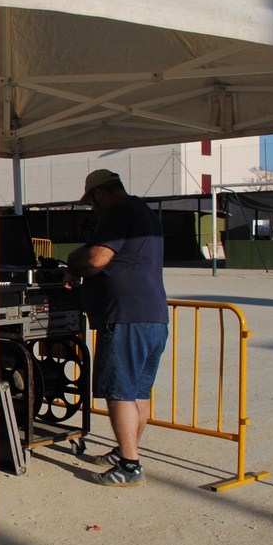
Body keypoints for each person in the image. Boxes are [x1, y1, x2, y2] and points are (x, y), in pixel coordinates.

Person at [65, 169, 168, 487]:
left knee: (119, 392)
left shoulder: (117, 211)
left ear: (97, 195)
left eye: (91, 203)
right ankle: (126, 452)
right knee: (137, 392)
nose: (93, 209)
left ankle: (130, 466)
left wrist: (73, 262)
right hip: (153, 316)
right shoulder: (143, 211)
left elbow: (97, 259)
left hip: (125, 317)